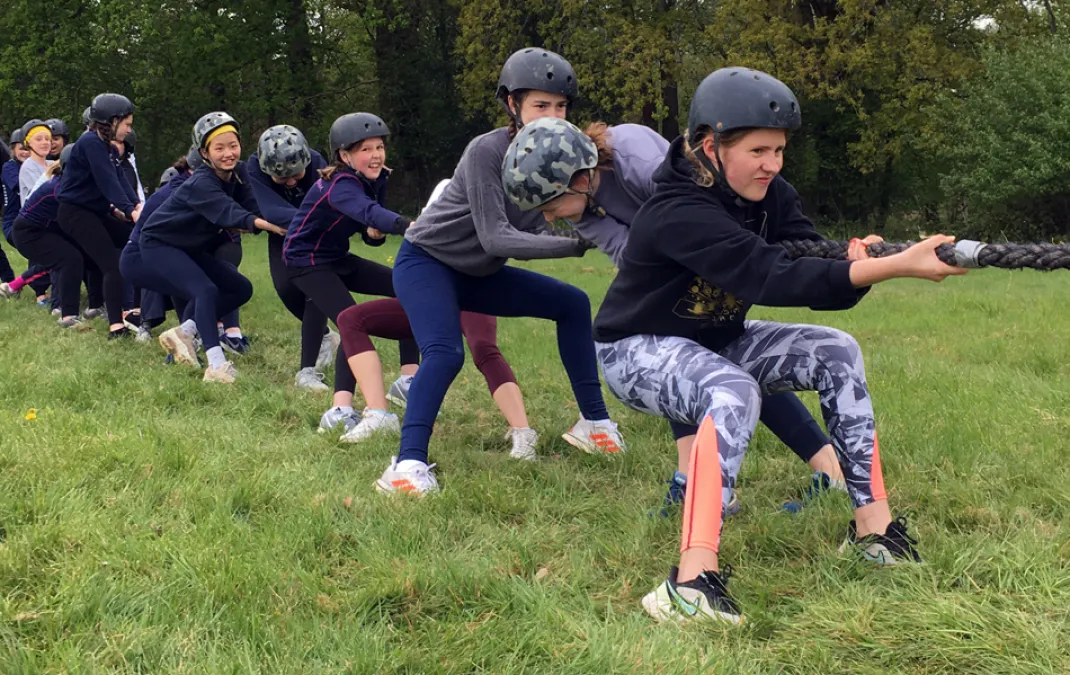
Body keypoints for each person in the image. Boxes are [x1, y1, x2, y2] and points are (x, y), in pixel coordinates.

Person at [588, 68, 964, 624]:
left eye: (780, 149)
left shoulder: (769, 195)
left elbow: (807, 258)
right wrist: (891, 269)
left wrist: (854, 259)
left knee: (837, 350)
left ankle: (876, 534)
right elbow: (774, 277)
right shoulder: (677, 211)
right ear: (711, 147)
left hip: (717, 338)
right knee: (732, 388)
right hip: (632, 350)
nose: (773, 164)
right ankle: (689, 586)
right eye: (759, 149)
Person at [502, 117, 888, 513]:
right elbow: (630, 253)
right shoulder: (583, 212)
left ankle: (832, 482)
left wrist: (848, 260)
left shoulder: (634, 153)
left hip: (717, 260)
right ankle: (698, 494)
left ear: (579, 180)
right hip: (667, 299)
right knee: (703, 368)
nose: (549, 218)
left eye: (549, 206)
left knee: (733, 364)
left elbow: (696, 211)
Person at [379, 48, 626, 495]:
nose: (552, 115)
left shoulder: (563, 159)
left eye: (561, 106)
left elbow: (593, 213)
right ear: (512, 105)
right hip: (426, 263)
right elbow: (495, 237)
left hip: (478, 273)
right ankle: (406, 465)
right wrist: (574, 247)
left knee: (573, 304)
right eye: (540, 105)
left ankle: (595, 424)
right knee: (445, 352)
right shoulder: (487, 151)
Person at [331, 186, 529, 456]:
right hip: (434, 291)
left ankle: (523, 432)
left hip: (474, 287)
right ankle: (379, 415)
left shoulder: (489, 194)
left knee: (483, 347)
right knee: (351, 319)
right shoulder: (445, 190)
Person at [282, 112, 419, 432]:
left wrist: (377, 234)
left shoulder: (374, 178)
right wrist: (408, 226)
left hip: (336, 258)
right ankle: (340, 411)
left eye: (379, 147)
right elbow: (369, 211)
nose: (376, 156)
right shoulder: (340, 183)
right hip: (306, 262)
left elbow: (369, 225)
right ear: (345, 156)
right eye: (366, 150)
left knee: (408, 288)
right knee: (352, 321)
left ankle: (408, 379)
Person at [134, 112, 285, 382]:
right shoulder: (201, 182)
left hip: (188, 249)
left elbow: (254, 204)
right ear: (204, 152)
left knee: (241, 288)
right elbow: (230, 212)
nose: (229, 153)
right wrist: (264, 224)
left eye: (233, 146)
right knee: (205, 290)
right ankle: (216, 366)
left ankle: (187, 331)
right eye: (219, 148)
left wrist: (287, 219)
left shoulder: (238, 174)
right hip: (159, 245)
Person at [246, 124, 337, 390]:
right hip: (282, 233)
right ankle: (325, 336)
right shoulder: (254, 167)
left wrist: (312, 220)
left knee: (315, 290)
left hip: (319, 236)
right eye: (282, 179)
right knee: (286, 288)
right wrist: (308, 218)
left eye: (296, 176)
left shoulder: (317, 162)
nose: (291, 183)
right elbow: (270, 209)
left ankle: (307, 369)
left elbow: (327, 203)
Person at [56, 93, 141, 338]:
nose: (128, 129)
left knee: (135, 240)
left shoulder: (107, 147)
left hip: (94, 213)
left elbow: (121, 180)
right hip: (75, 214)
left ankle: (135, 310)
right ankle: (117, 327)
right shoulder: (90, 143)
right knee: (113, 265)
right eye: (127, 124)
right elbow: (107, 183)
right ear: (112, 121)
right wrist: (128, 209)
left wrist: (136, 207)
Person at [11, 145, 91, 330]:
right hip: (29, 233)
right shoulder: (61, 188)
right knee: (69, 259)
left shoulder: (70, 184)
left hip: (44, 231)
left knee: (69, 257)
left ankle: (64, 309)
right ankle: (67, 314)